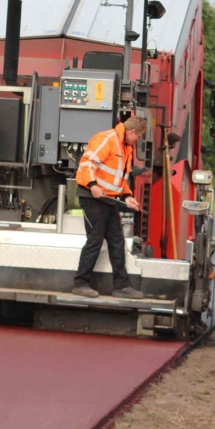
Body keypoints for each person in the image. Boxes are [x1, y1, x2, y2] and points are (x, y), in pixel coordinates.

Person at [72, 116, 148, 299]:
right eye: (138, 137)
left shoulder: (126, 148)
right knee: (95, 240)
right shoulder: (107, 139)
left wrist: (128, 196)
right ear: (131, 132)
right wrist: (92, 186)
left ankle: (122, 287)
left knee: (117, 241)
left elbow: (120, 180)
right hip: (92, 197)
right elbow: (87, 163)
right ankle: (80, 283)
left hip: (109, 199)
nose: (137, 141)